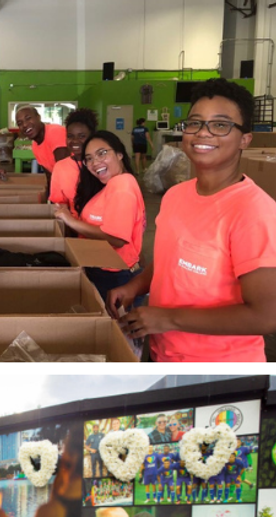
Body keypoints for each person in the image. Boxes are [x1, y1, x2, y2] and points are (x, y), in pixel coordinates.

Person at [108, 78, 276, 361]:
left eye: (220, 125)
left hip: (218, 367)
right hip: (164, 352)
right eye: (195, 123)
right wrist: (134, 287)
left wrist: (169, 319)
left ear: (245, 139)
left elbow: (265, 316)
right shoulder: (175, 196)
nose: (203, 133)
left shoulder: (254, 212)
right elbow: (168, 262)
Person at [53, 131, 145, 301]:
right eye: (89, 158)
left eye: (102, 153)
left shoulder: (122, 184)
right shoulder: (110, 185)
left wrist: (70, 220)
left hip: (115, 276)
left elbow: (116, 239)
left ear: (119, 154)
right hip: (104, 271)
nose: (95, 162)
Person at [49, 108, 98, 217]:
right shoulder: (60, 167)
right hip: (74, 228)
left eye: (82, 136)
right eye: (70, 136)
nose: (75, 141)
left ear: (92, 137)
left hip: (101, 228)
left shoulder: (102, 165)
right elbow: (60, 205)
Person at [15, 105, 68, 173]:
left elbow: (64, 171)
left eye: (28, 118)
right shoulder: (35, 146)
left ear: (38, 117)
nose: (24, 125)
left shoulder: (55, 132)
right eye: (20, 123)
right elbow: (49, 174)